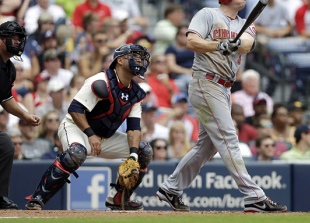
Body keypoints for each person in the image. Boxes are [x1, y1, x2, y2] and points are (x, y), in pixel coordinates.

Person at [156, 0, 287, 213]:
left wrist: (231, 44)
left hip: (224, 87)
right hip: (206, 82)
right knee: (229, 138)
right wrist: (217, 45)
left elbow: (246, 44)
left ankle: (170, 188)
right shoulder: (207, 14)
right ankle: (254, 196)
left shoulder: (247, 24)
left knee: (207, 147)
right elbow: (192, 41)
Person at [25, 43, 153, 211]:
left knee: (144, 151)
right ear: (120, 60)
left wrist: (133, 156)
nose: (140, 60)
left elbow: (134, 128)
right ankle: (37, 198)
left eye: (141, 57)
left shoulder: (136, 93)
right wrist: (90, 135)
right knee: (76, 154)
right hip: (76, 127)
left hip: (104, 137)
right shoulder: (100, 80)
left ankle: (119, 198)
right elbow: (75, 109)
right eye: (135, 56)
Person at [0, 21, 41, 210]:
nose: (17, 42)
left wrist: (25, 114)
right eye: (13, 38)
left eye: (19, 39)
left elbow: (6, 98)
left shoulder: (9, 68)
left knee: (5, 144)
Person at [165, 25, 194, 94]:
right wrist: (189, 71)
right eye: (181, 34)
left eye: (186, 34)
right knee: (191, 82)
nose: (183, 36)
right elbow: (171, 66)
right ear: (177, 35)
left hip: (196, 74)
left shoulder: (194, 48)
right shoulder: (171, 49)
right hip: (179, 75)